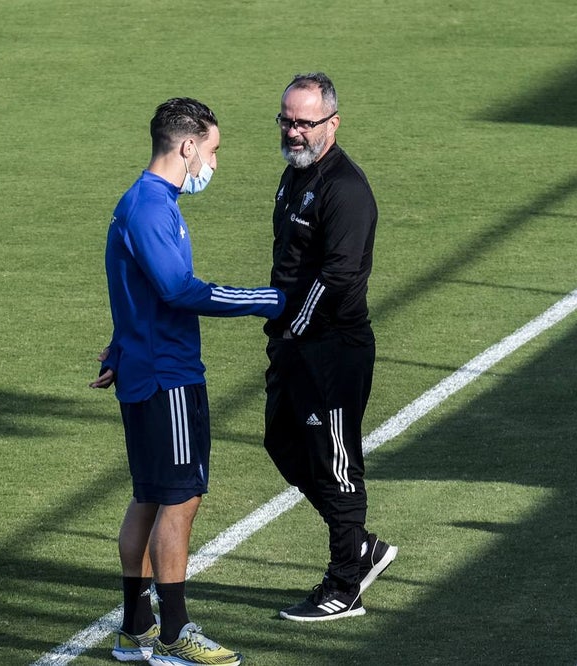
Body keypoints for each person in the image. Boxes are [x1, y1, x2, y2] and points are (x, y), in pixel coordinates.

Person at [91, 97, 284, 665]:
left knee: (149, 496)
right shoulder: (151, 208)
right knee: (180, 499)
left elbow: (133, 286)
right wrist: (267, 300)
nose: (215, 164)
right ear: (187, 145)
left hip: (143, 368)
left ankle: (135, 628)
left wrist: (120, 341)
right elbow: (178, 290)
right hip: (168, 379)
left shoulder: (144, 203)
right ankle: (174, 636)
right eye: (214, 150)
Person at [262, 72, 397, 622]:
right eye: (286, 120)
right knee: (283, 445)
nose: (293, 131)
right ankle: (360, 546)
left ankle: (345, 585)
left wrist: (296, 325)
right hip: (292, 344)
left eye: (304, 122)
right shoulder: (295, 175)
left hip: (332, 348)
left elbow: (338, 275)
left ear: (331, 123)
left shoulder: (347, 189)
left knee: (337, 466)